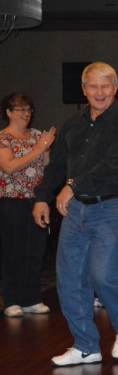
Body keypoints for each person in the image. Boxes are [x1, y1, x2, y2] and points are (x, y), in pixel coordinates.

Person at [32, 62, 118, 367]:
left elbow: (113, 164)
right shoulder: (73, 124)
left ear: (115, 89)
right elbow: (56, 166)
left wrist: (72, 185)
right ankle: (85, 346)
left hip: (113, 205)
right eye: (93, 86)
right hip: (77, 209)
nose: (99, 92)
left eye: (105, 86)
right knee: (70, 279)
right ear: (84, 90)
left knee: (104, 275)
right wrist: (42, 198)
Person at [0, 93, 55, 317]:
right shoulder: (3, 138)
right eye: (20, 109)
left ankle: (32, 298)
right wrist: (39, 149)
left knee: (36, 250)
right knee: (14, 251)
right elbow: (9, 167)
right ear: (9, 113)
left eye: (29, 109)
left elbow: (48, 168)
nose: (26, 114)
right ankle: (12, 300)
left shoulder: (37, 136)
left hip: (37, 201)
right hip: (12, 201)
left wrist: (46, 149)